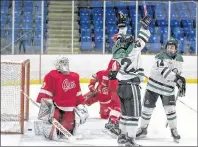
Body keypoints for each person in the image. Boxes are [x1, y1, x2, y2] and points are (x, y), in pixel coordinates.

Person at [110, 11, 152, 146]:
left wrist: (122, 25)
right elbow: (142, 38)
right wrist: (144, 27)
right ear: (129, 44)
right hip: (131, 86)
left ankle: (122, 136)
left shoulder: (116, 50)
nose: (133, 41)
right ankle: (130, 140)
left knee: (125, 114)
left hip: (121, 85)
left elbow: (119, 38)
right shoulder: (134, 49)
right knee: (133, 115)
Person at [136, 38, 186, 143]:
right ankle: (143, 129)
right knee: (146, 110)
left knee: (171, 111)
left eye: (172, 47)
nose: (170, 48)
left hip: (168, 90)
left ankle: (174, 130)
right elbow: (166, 73)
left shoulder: (180, 59)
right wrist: (178, 79)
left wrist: (180, 84)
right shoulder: (160, 57)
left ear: (176, 49)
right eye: (168, 46)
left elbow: (177, 74)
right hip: (153, 87)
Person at [35, 56, 89, 140]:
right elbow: (46, 93)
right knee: (52, 131)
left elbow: (77, 93)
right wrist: (46, 112)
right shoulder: (51, 76)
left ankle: (60, 126)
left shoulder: (74, 76)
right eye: (62, 62)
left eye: (65, 62)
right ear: (57, 65)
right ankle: (44, 127)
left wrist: (80, 106)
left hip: (70, 108)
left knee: (68, 127)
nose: (64, 65)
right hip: (56, 107)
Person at [83, 68, 121, 137]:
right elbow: (93, 79)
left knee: (104, 116)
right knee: (81, 100)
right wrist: (92, 87)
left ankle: (114, 119)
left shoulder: (119, 76)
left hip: (108, 100)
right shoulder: (101, 73)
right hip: (97, 94)